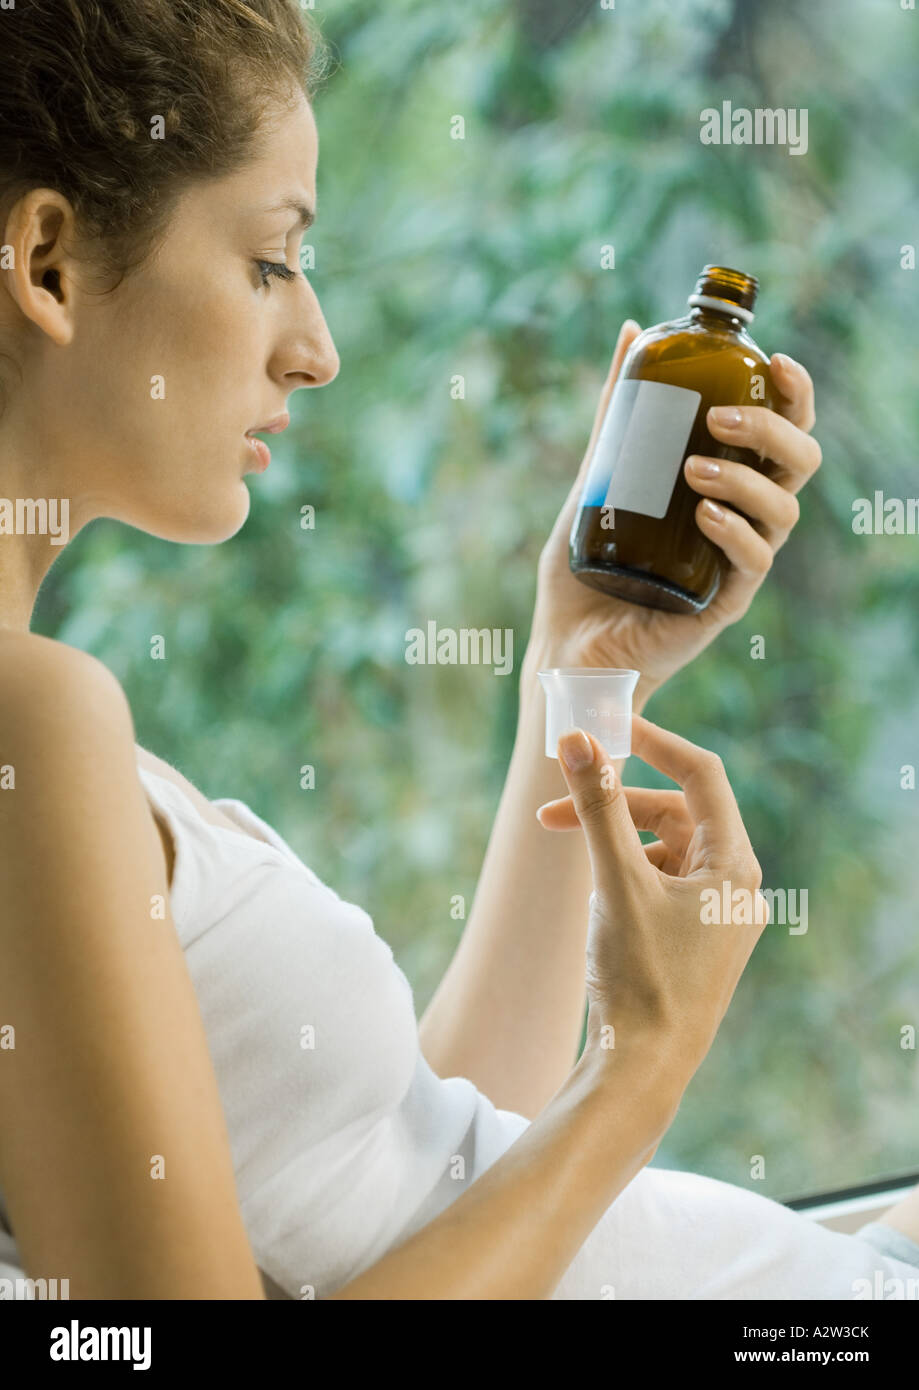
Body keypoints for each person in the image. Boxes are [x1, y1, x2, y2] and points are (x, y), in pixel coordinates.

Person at [0, 0, 916, 1300]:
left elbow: (436, 1149)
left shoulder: (55, 733)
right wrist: (648, 1059)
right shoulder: (30, 721)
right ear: (47, 263)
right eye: (272, 260)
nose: (315, 351)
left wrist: (583, 657)